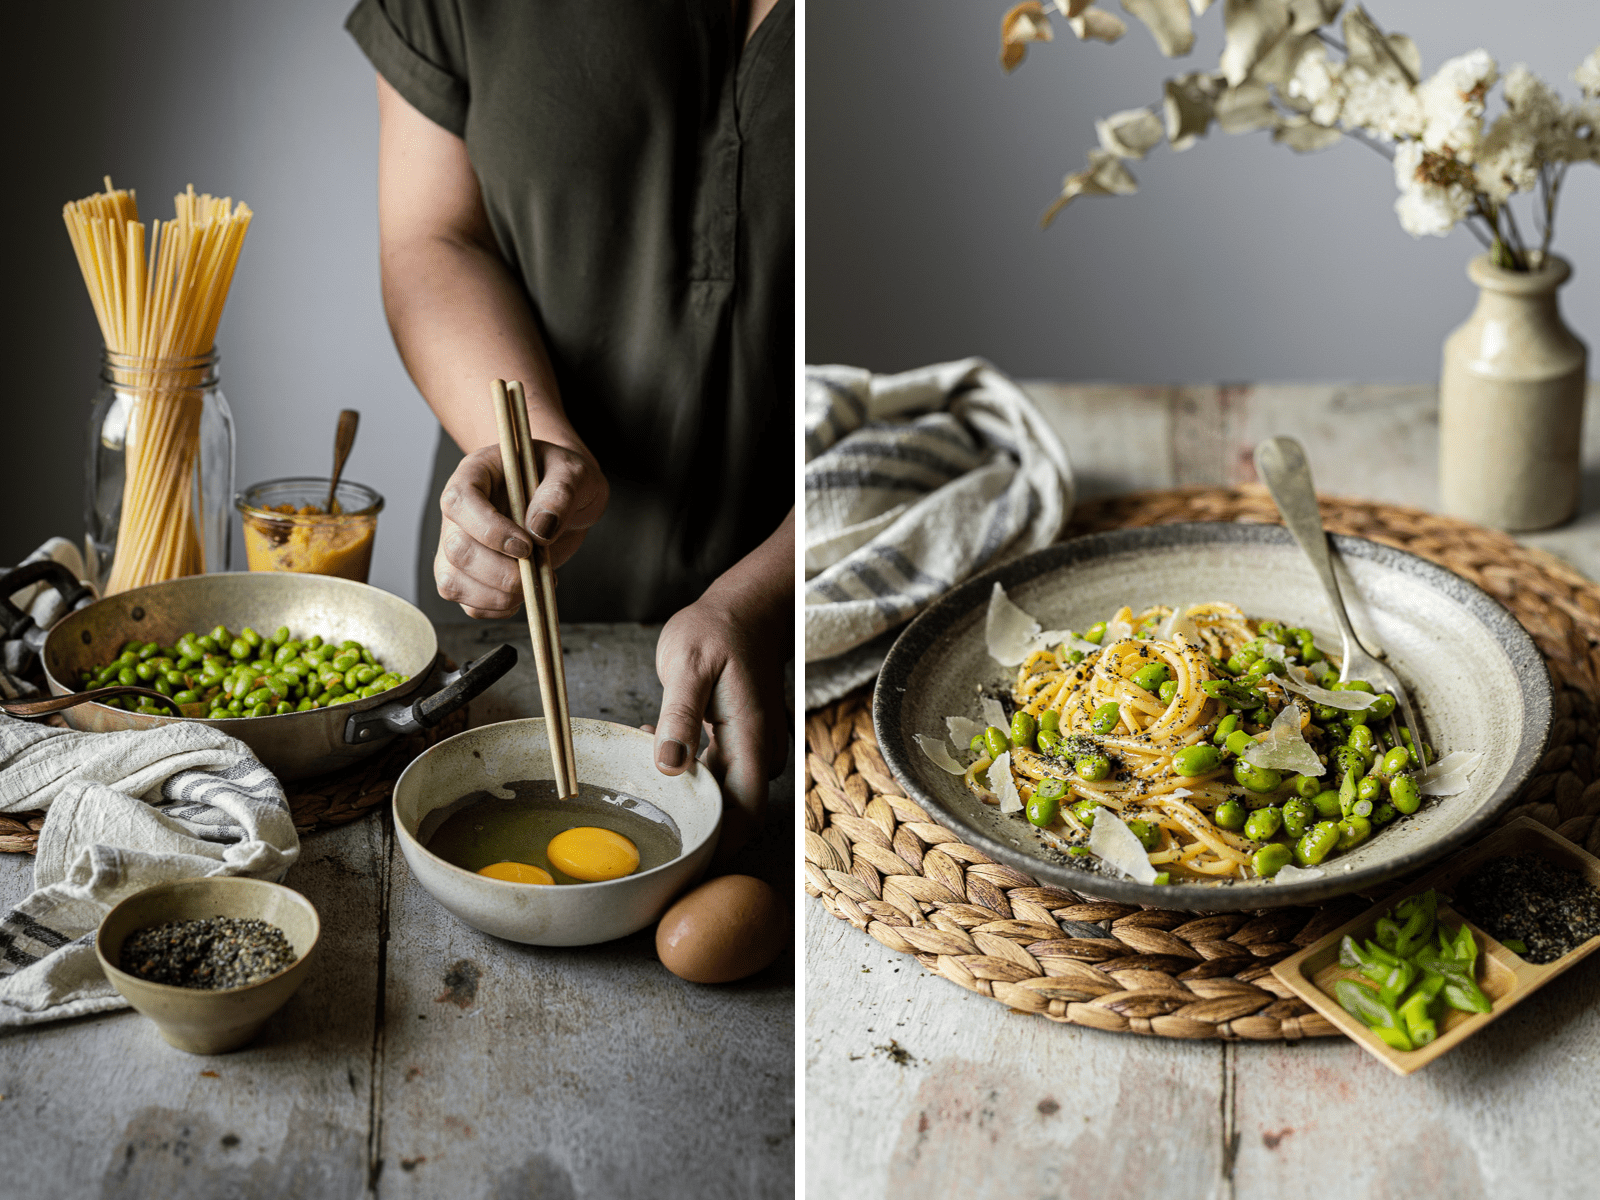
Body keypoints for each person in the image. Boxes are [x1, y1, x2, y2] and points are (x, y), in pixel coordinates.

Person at [346, 0, 793, 852]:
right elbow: (435, 235)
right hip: (510, 620)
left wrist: (765, 596)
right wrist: (529, 448)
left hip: (837, 608)